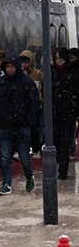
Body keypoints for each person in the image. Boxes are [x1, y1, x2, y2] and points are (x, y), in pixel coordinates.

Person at [0, 53, 38, 195]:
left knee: (23, 156)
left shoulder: (27, 82)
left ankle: (29, 176)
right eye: (7, 67)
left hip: (21, 125)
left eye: (11, 66)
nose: (9, 69)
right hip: (5, 124)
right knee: (4, 155)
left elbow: (33, 103)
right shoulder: (2, 82)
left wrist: (29, 121)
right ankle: (6, 183)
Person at [51, 48, 78, 180]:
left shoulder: (73, 72)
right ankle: (60, 162)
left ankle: (63, 170)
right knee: (55, 138)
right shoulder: (52, 72)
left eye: (61, 59)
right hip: (55, 110)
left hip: (69, 111)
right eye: (57, 59)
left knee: (65, 141)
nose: (59, 62)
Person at [20, 50, 44, 160]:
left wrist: (41, 100)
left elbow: (42, 88)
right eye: (22, 62)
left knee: (35, 128)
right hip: (22, 105)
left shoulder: (38, 74)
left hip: (35, 105)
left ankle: (36, 148)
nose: (24, 65)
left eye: (26, 62)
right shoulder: (19, 75)